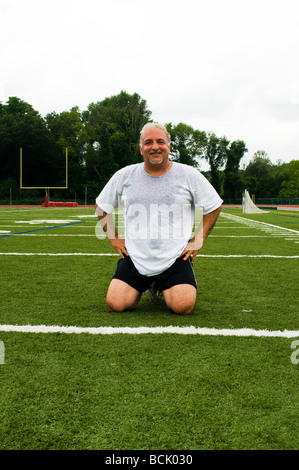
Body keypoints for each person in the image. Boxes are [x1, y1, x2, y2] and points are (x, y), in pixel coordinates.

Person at [95, 122, 222, 315]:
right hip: (136, 257)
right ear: (141, 149)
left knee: (183, 307)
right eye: (148, 142)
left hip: (175, 257)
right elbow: (101, 206)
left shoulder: (188, 174)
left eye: (160, 141)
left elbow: (213, 205)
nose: (154, 146)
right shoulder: (125, 175)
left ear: (169, 147)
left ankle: (163, 285)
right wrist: (113, 238)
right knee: (116, 304)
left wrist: (198, 239)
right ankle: (147, 284)